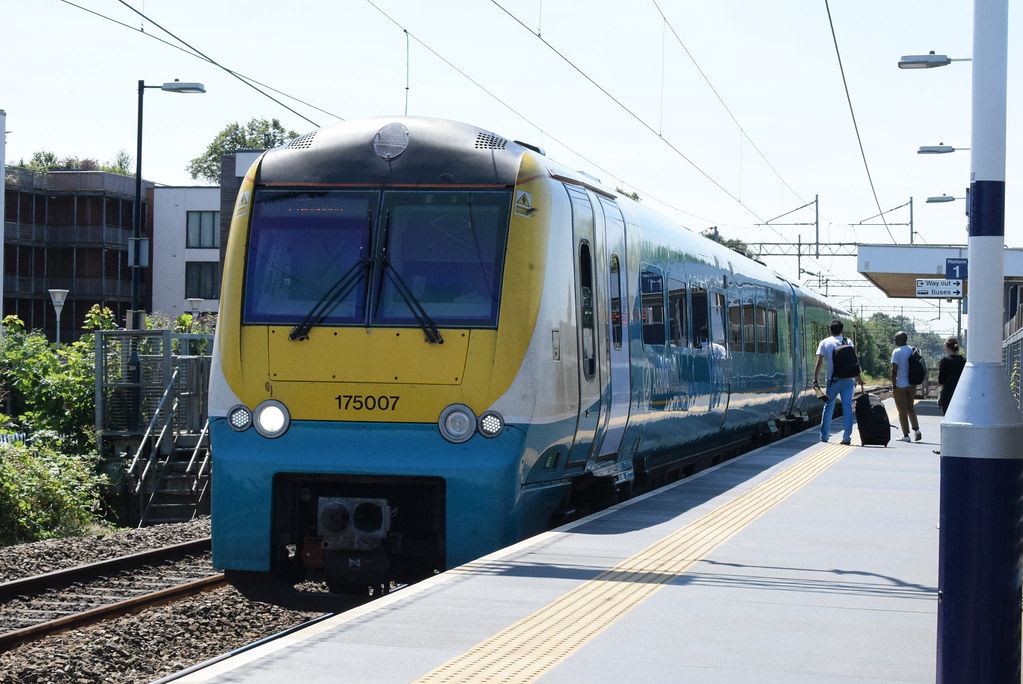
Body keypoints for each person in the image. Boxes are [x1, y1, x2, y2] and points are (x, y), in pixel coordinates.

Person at [814, 319, 866, 445]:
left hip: (834, 380)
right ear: (841, 330)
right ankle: (847, 438)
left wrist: (816, 379)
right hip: (849, 380)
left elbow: (820, 362)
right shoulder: (848, 341)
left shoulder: (824, 342)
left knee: (829, 406)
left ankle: (824, 436)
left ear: (830, 329)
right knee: (847, 407)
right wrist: (859, 377)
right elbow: (853, 361)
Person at [890, 331, 922, 442]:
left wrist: (893, 385)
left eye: (895, 339)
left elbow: (894, 371)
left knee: (902, 411)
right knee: (910, 408)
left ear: (900, 340)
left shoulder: (897, 352)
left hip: (900, 385)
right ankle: (917, 431)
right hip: (912, 384)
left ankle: (906, 435)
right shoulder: (912, 350)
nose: (894, 341)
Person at [937, 336, 966, 415]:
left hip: (948, 392)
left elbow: (941, 380)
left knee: (948, 415)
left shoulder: (944, 360)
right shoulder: (963, 361)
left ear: (947, 347)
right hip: (961, 392)